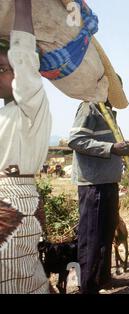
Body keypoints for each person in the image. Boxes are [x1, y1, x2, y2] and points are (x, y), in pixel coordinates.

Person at [0, 0, 51, 294]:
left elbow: (24, 60)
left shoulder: (30, 104)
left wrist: (22, 8)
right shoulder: (8, 114)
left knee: (14, 282)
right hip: (13, 204)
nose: (2, 74)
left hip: (10, 203)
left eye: (5, 68)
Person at [68, 97, 129, 294]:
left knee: (106, 234)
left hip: (109, 182)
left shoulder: (109, 112)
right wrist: (111, 148)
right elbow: (76, 140)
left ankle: (104, 279)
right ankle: (87, 287)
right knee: (91, 236)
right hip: (92, 183)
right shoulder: (89, 107)